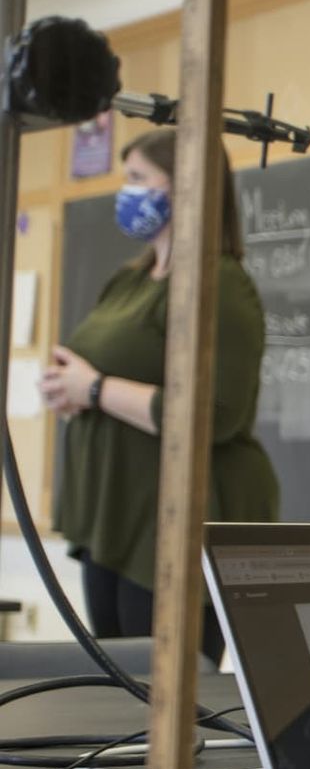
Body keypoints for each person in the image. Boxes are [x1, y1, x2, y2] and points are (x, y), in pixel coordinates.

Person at [42, 130, 278, 668]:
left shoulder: (219, 284)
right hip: (113, 516)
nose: (126, 193)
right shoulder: (130, 280)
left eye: (138, 180)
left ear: (186, 185)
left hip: (174, 521)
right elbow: (101, 371)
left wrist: (96, 389)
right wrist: (68, 389)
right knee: (116, 697)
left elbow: (215, 413)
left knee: (166, 697)